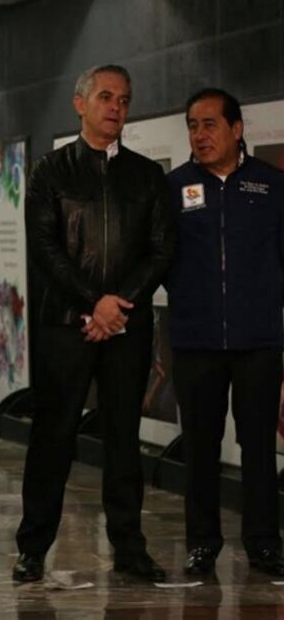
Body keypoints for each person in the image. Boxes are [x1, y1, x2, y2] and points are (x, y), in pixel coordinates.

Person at [15, 64, 175, 583]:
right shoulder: (50, 171)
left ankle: (129, 549)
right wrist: (92, 304)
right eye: (106, 97)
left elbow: (160, 250)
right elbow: (45, 249)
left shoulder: (147, 175)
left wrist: (117, 306)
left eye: (124, 100)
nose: (116, 107)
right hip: (66, 324)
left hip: (126, 327)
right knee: (53, 436)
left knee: (124, 439)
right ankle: (33, 548)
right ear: (80, 103)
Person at [166, 88, 284, 577]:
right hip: (195, 341)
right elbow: (161, 259)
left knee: (258, 448)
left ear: (237, 129)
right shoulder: (173, 188)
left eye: (210, 124)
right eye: (193, 125)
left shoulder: (272, 187)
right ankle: (202, 543)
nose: (200, 134)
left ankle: (264, 543)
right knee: (199, 447)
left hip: (258, 340)